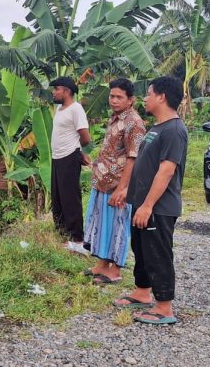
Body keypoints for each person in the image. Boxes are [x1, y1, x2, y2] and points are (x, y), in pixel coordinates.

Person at [114, 75, 187, 325]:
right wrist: (129, 192)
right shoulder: (157, 127)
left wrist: (147, 205)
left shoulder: (175, 130)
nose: (145, 98)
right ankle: (142, 293)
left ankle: (164, 307)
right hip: (142, 203)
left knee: (158, 253)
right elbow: (144, 165)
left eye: (149, 93)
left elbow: (166, 171)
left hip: (159, 207)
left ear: (162, 97)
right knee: (142, 250)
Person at [83, 78, 146, 284]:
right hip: (103, 182)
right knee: (102, 224)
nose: (114, 100)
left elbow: (133, 157)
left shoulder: (133, 123)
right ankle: (101, 264)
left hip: (118, 185)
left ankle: (115, 270)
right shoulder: (115, 118)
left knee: (117, 226)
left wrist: (123, 188)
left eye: (119, 97)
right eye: (112, 96)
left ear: (131, 100)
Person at [48, 76, 91, 255]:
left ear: (66, 91)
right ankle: (63, 234)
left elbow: (86, 137)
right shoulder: (60, 108)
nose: (54, 92)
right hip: (57, 158)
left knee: (70, 198)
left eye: (56, 89)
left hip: (69, 157)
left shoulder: (76, 109)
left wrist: (76, 150)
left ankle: (78, 240)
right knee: (58, 197)